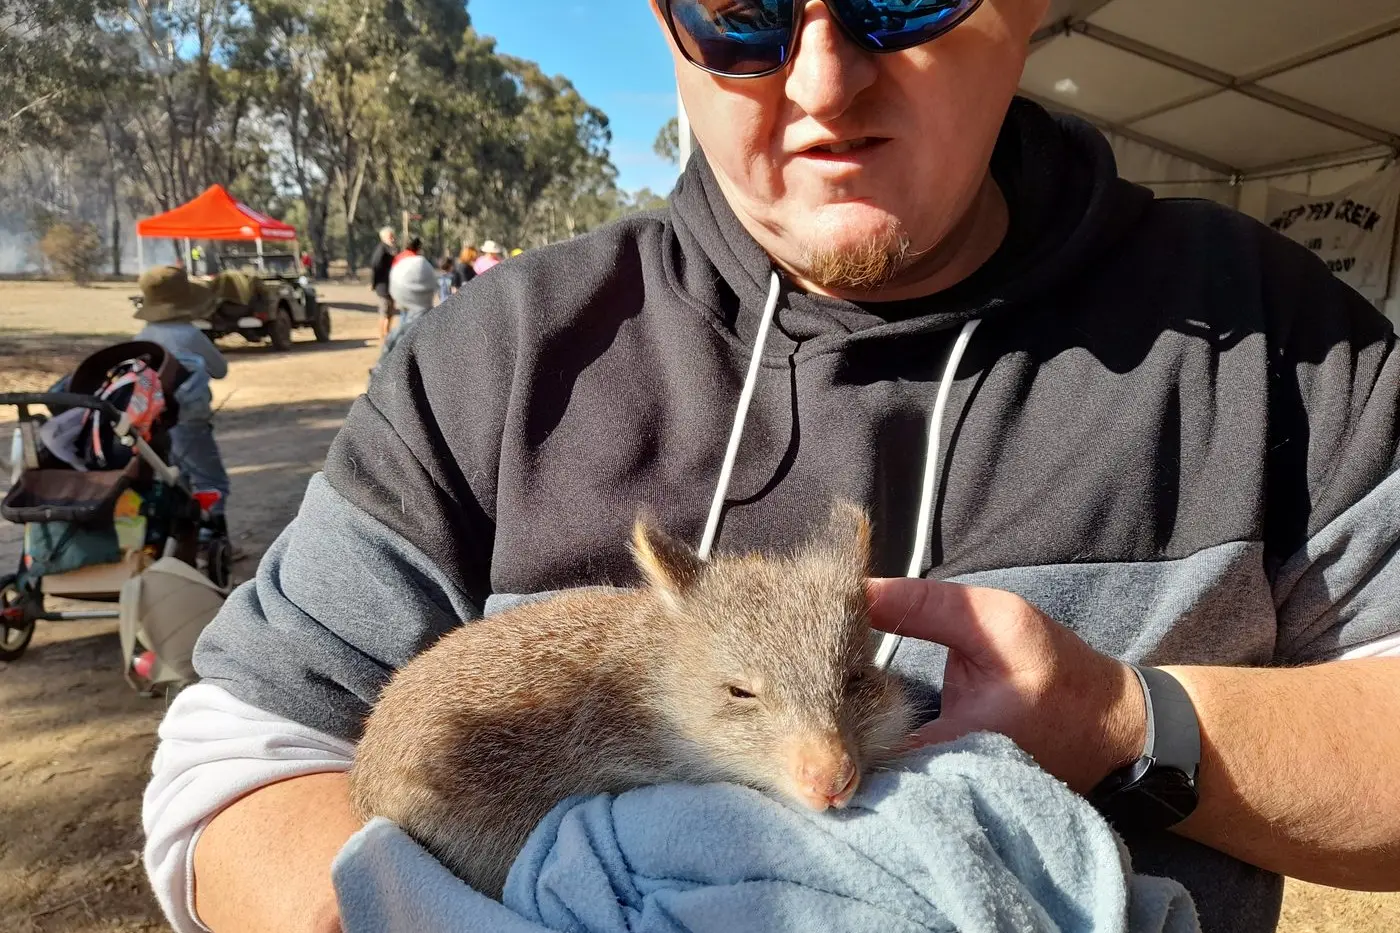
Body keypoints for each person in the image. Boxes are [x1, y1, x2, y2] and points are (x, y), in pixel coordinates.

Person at [144, 2, 1400, 933]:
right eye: (739, 12)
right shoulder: (493, 354)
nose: (823, 82)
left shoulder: (1276, 334)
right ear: (661, 22)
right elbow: (237, 769)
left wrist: (1125, 726)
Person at [130, 265, 230, 525]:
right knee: (211, 480)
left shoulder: (142, 337)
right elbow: (220, 370)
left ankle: (183, 533)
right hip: (189, 420)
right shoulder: (190, 334)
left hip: (153, 423)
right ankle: (212, 531)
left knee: (174, 478)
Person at [367, 226, 397, 343]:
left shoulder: (389, 250)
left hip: (391, 286)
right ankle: (383, 335)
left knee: (391, 311)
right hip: (383, 286)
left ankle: (387, 333)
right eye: (390, 237)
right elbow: (375, 266)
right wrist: (374, 283)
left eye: (393, 237)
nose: (393, 239)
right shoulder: (381, 250)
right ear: (384, 238)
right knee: (385, 311)